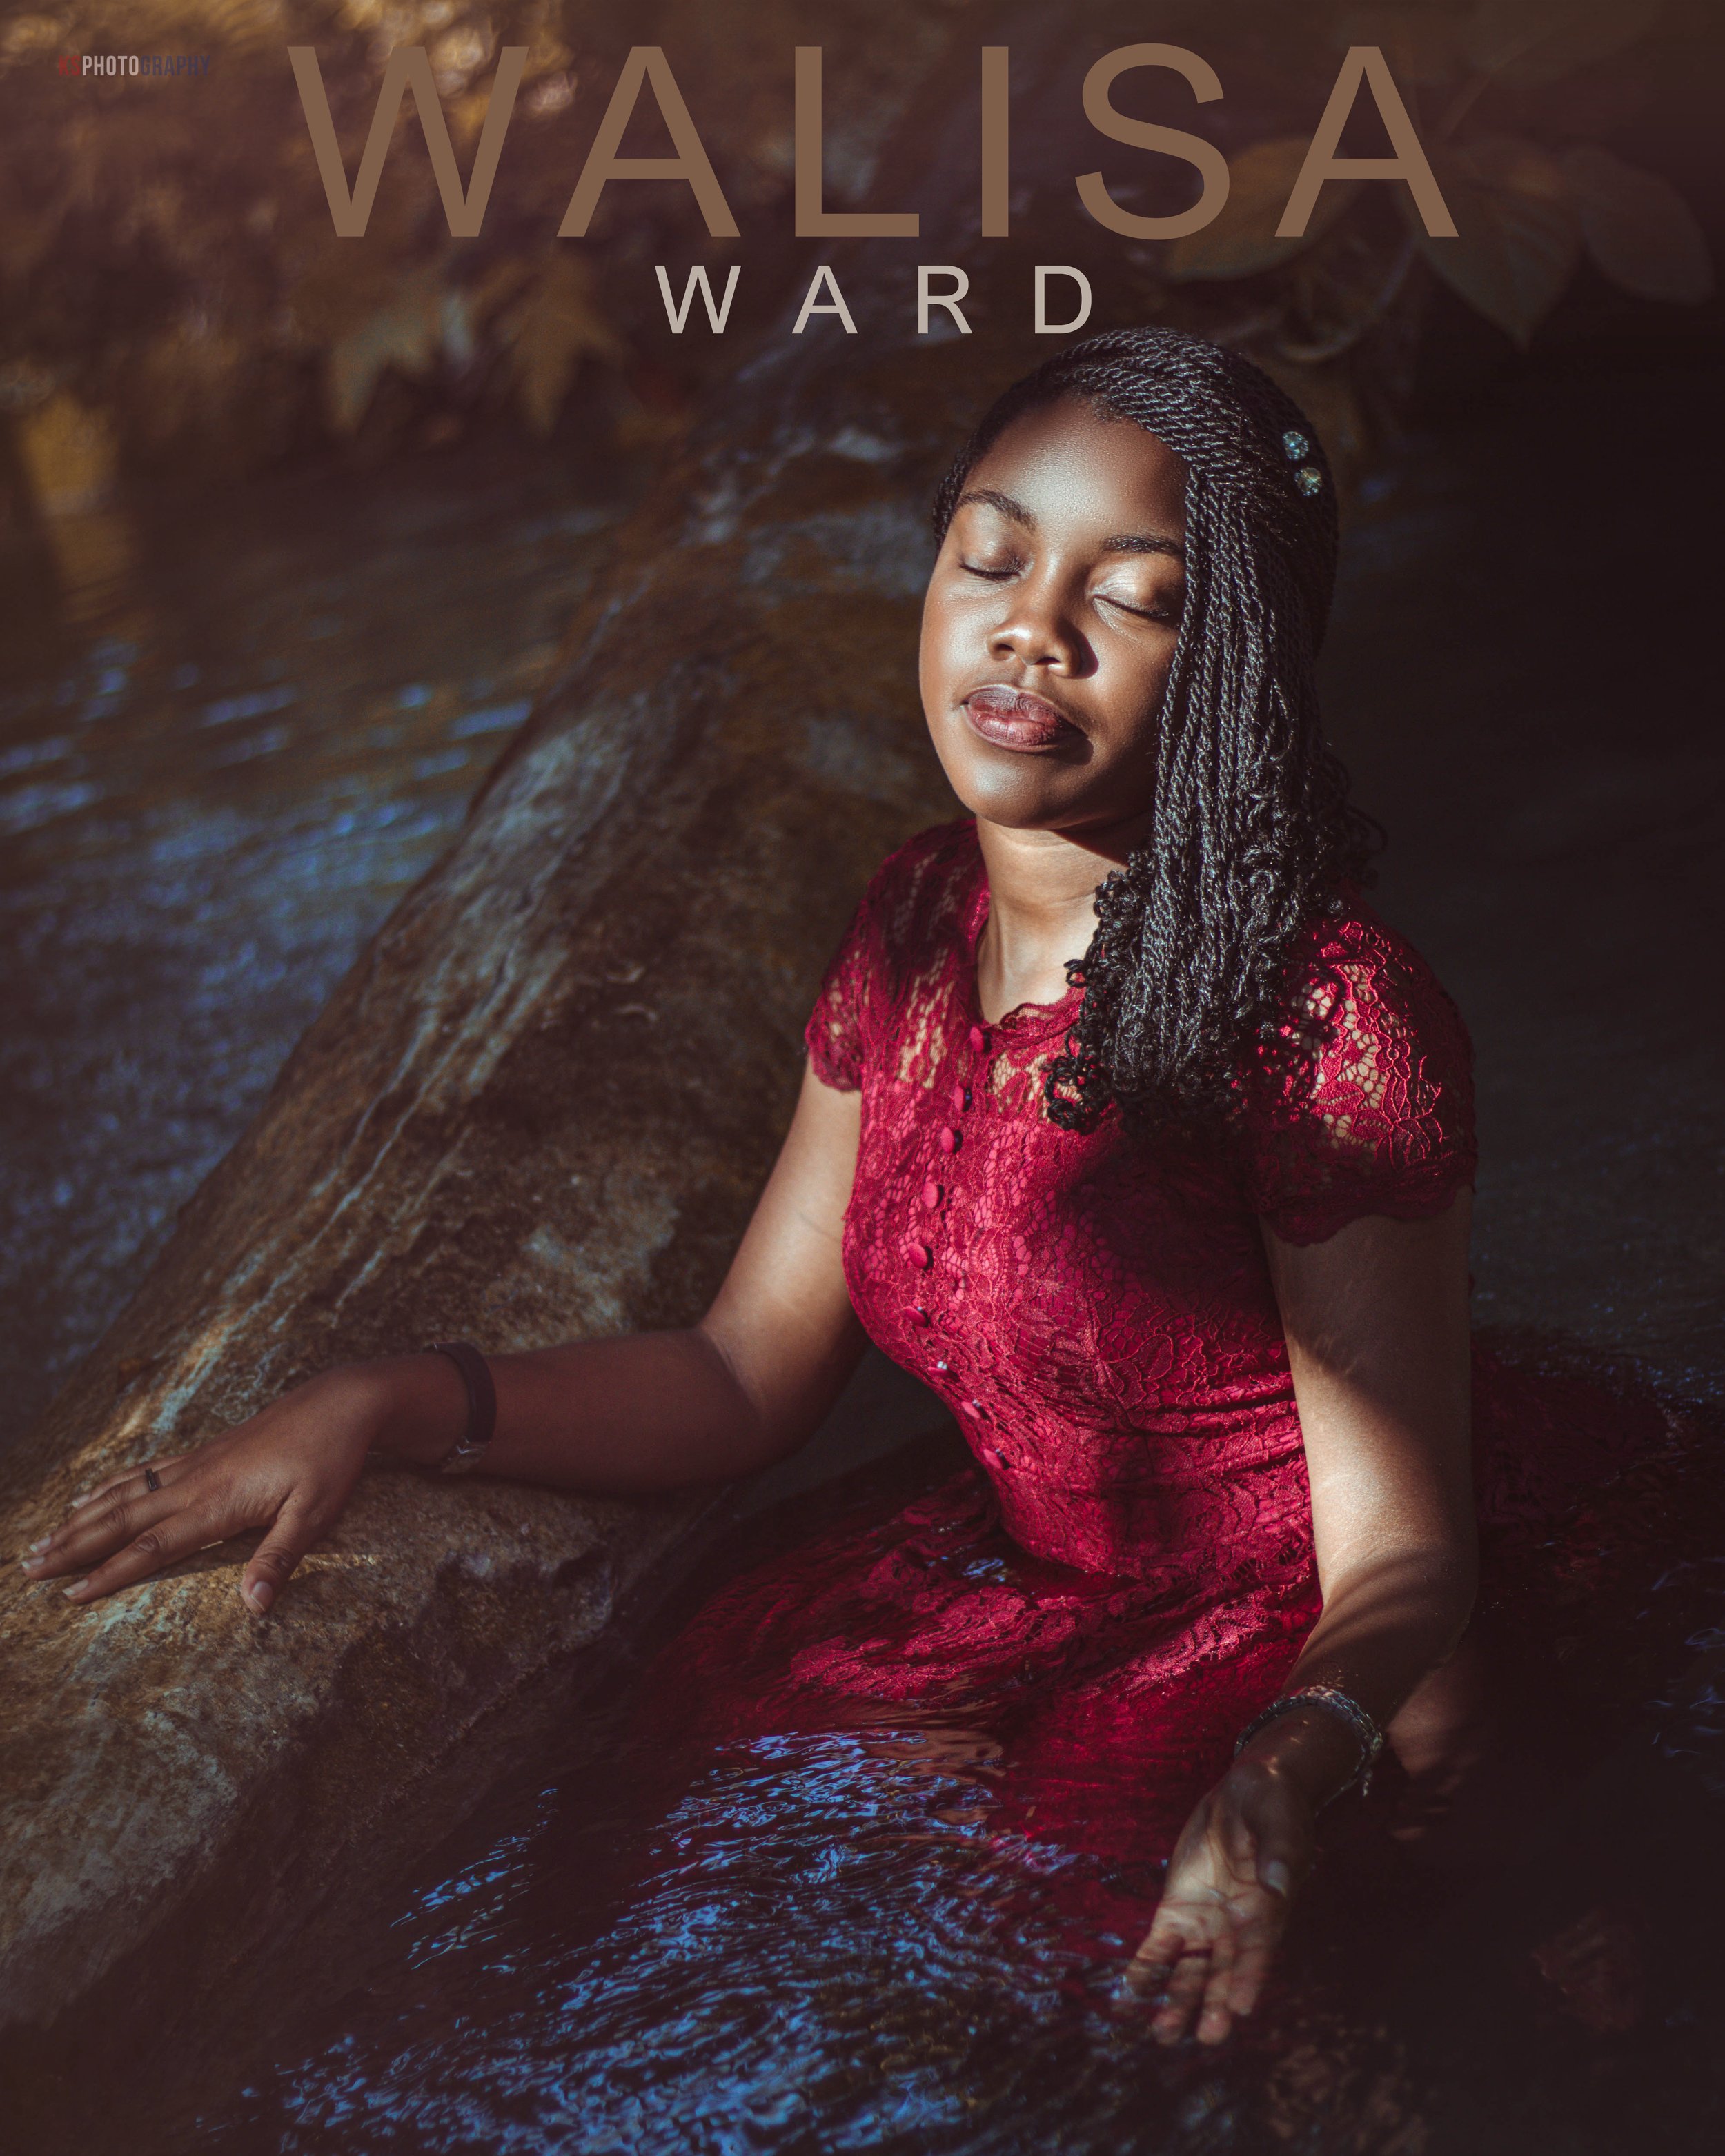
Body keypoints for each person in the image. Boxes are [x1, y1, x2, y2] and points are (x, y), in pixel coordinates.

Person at [19, 329, 1665, 2050]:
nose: (1031, 626)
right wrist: (377, 1402)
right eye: (991, 555)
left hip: (1331, 1656)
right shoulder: (909, 920)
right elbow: (743, 1377)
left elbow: (1401, 1554)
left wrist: (1285, 1775)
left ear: (1236, 664)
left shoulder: (1320, 1014)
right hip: (1040, 1600)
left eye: (1138, 594)